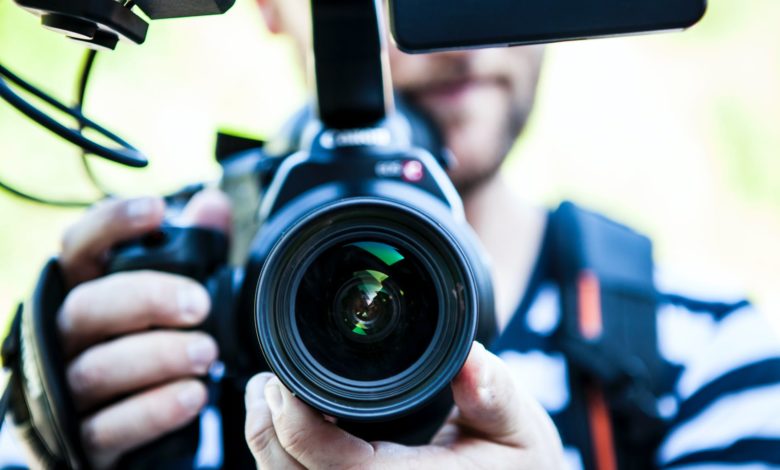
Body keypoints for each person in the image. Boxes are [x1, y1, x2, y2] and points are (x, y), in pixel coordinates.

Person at [6, 0, 780, 468]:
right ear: (272, 8)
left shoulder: (703, 353)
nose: (456, 36)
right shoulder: (151, 321)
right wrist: (49, 430)